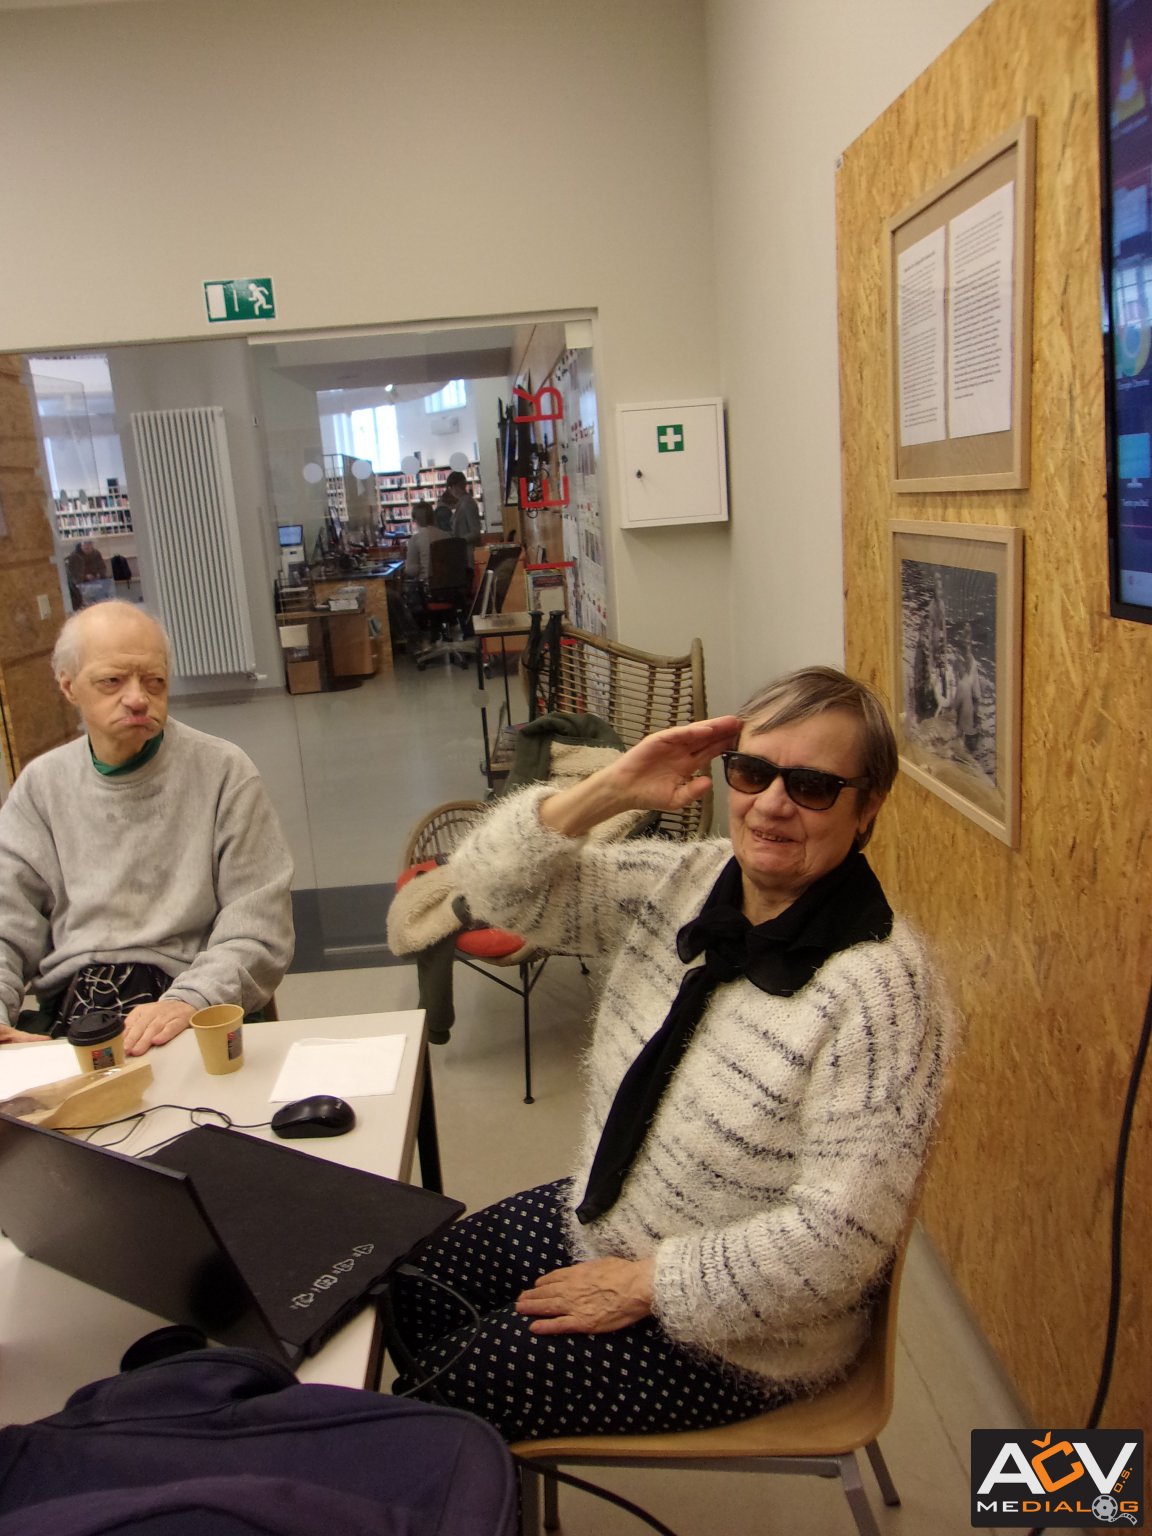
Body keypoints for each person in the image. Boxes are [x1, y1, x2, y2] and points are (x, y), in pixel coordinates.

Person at [387, 666, 953, 1442]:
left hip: (729, 1330)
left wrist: (648, 1285)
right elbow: (494, 892)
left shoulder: (880, 992)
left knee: (436, 1402)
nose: (772, 804)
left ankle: (474, 1471)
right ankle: (490, 1477)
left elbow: (837, 1244)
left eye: (813, 786)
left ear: (868, 807)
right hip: (609, 1219)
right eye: (752, 772)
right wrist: (610, 790)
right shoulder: (694, 877)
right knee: (409, 1290)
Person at [0, 601, 294, 1053]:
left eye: (154, 681)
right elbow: (7, 924)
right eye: (112, 681)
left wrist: (189, 1000)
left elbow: (259, 927)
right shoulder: (41, 786)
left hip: (188, 998)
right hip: (75, 1010)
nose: (138, 698)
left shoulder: (223, 772)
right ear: (69, 686)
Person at [402, 501, 449, 585]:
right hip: (448, 583)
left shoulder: (415, 539)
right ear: (433, 517)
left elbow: (412, 571)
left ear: (414, 519)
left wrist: (404, 568)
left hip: (427, 585)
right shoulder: (447, 535)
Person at [444, 470, 483, 553]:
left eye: (450, 488)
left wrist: (458, 541)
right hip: (463, 549)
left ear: (455, 487)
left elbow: (475, 531)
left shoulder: (467, 503)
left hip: (469, 551)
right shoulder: (462, 502)